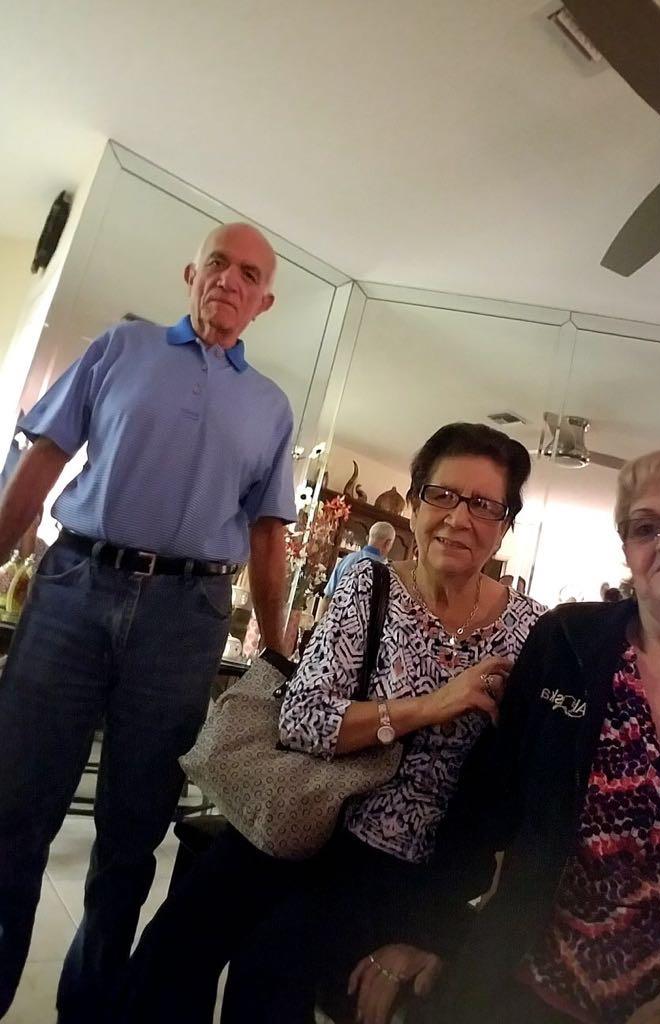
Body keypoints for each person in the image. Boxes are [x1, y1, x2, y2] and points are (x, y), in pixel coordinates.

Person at [116, 421, 545, 1024]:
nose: (458, 518)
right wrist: (431, 705)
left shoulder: (531, 631)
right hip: (308, 811)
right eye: (442, 495)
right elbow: (304, 719)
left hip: (404, 863)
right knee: (170, 950)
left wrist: (444, 923)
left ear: (505, 524)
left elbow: (521, 788)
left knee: (270, 971)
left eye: (483, 504)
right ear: (415, 503)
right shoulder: (370, 585)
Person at [0, 222, 296, 1023]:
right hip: (75, 587)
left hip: (186, 619)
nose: (229, 280)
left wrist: (278, 658)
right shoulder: (119, 348)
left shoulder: (271, 408)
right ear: (190, 274)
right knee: (13, 813)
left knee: (132, 840)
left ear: (264, 302)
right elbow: (43, 458)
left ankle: (89, 1011)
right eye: (217, 264)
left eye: (249, 274)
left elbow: (269, 536)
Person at [403, 445, 660, 1024]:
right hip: (520, 993)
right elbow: (486, 799)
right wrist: (430, 932)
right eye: (645, 527)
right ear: (629, 553)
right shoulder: (565, 643)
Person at [317, 520, 396, 618]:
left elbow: (327, 597)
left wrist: (318, 623)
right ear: (388, 543)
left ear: (368, 538)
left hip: (334, 622)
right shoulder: (387, 573)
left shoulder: (346, 560)